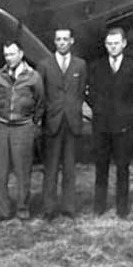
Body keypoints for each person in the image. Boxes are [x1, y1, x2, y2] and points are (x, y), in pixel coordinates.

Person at [86, 27, 133, 218]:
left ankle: (122, 208)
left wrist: (128, 117)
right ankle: (99, 206)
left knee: (123, 168)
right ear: (105, 45)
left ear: (124, 44)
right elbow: (91, 93)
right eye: (110, 44)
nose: (113, 47)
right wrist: (99, 110)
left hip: (123, 126)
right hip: (101, 126)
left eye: (116, 43)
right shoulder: (96, 66)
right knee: (101, 168)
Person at [0, 40, 44, 221]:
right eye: (6, 55)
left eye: (12, 54)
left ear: (21, 54)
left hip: (23, 127)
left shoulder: (33, 77)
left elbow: (41, 102)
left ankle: (22, 208)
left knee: (23, 170)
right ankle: (3, 209)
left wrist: (33, 122)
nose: (9, 58)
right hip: (2, 126)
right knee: (1, 171)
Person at [39, 27, 87, 219]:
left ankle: (69, 207)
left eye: (65, 39)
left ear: (72, 41)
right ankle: (49, 209)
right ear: (54, 42)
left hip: (72, 122)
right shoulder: (44, 64)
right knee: (50, 169)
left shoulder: (80, 65)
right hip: (53, 122)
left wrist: (74, 111)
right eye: (58, 39)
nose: (61, 42)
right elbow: (41, 94)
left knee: (69, 168)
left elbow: (80, 91)